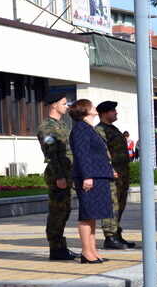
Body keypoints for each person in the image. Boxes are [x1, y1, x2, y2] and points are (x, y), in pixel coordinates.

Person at [68, 99, 115, 264]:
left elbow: (98, 154)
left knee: (93, 215)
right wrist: (87, 176)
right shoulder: (80, 129)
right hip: (89, 177)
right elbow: (82, 155)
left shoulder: (89, 128)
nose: (95, 107)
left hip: (98, 176)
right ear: (85, 110)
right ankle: (86, 252)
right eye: (92, 105)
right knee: (87, 215)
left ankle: (93, 250)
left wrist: (110, 170)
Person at [36, 92, 78, 261]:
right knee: (57, 212)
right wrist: (59, 176)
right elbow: (51, 155)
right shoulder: (47, 128)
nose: (67, 106)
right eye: (63, 103)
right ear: (54, 105)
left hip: (68, 174)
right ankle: (55, 248)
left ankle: (62, 247)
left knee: (65, 211)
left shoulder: (64, 125)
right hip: (58, 175)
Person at [95, 101, 136, 250]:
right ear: (104, 113)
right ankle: (110, 237)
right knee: (112, 204)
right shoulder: (100, 130)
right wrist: (109, 169)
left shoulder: (114, 129)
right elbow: (101, 153)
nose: (116, 113)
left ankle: (116, 234)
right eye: (113, 111)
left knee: (120, 205)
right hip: (112, 173)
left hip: (122, 172)